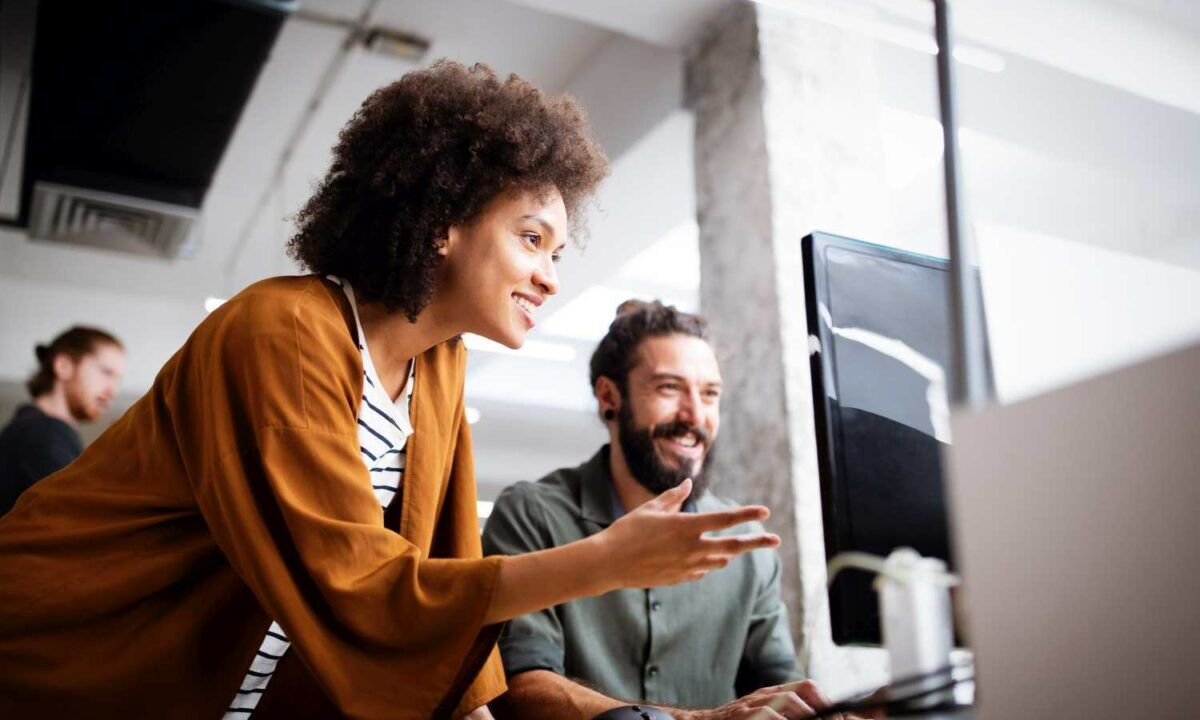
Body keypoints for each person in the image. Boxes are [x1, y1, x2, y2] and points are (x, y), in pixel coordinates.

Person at [0, 61, 781, 720]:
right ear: (444, 222)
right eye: (531, 238)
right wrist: (603, 561)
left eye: (556, 251)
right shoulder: (282, 331)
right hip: (58, 658)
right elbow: (359, 582)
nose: (549, 276)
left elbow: (441, 565)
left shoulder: (438, 367)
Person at [485, 301, 842, 720]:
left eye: (710, 394)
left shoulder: (747, 546)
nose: (695, 416)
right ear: (609, 397)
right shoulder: (532, 515)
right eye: (670, 388)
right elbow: (519, 687)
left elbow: (780, 689)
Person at [0, 326, 124, 516]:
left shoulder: (35, 429)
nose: (113, 390)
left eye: (117, 380)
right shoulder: (42, 432)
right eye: (106, 372)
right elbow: (84, 518)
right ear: (63, 366)